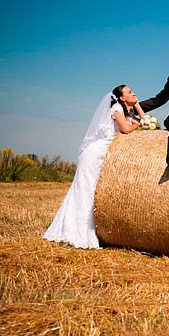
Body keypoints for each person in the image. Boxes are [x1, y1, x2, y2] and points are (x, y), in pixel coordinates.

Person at [43, 85, 145, 248]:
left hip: (103, 154)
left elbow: (141, 114)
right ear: (122, 97)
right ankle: (78, 233)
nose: (134, 94)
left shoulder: (125, 110)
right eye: (130, 92)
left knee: (93, 190)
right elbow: (126, 129)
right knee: (87, 191)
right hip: (94, 155)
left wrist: (138, 109)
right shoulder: (117, 108)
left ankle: (82, 229)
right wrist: (138, 124)